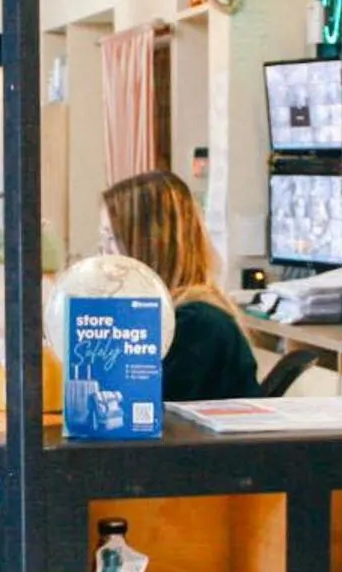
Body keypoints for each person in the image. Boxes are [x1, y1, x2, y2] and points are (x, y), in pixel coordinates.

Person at [100, 170, 258, 403]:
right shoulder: (177, 316)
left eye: (111, 238)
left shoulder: (195, 324)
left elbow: (139, 409)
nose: (104, 253)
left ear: (148, 244)